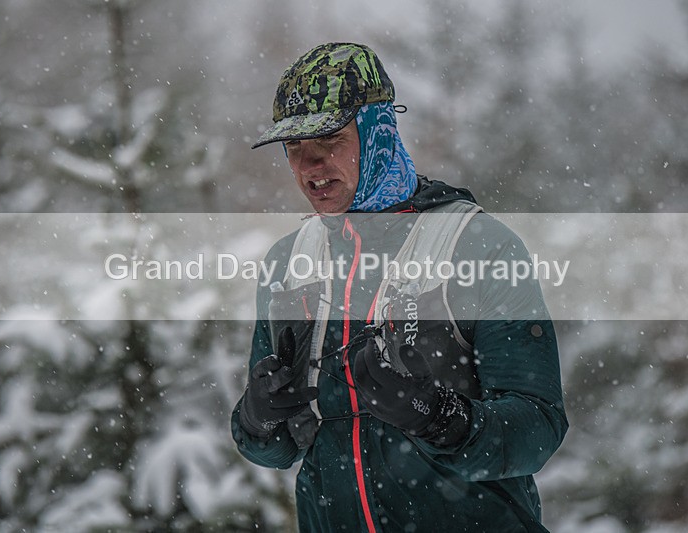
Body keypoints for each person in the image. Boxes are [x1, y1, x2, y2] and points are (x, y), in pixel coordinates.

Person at [231, 42, 568, 533]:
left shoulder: (478, 246)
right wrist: (257, 420)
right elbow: (276, 449)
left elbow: (539, 428)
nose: (310, 166)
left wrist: (440, 418)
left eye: (329, 141)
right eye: (295, 149)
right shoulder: (288, 261)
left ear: (378, 133)